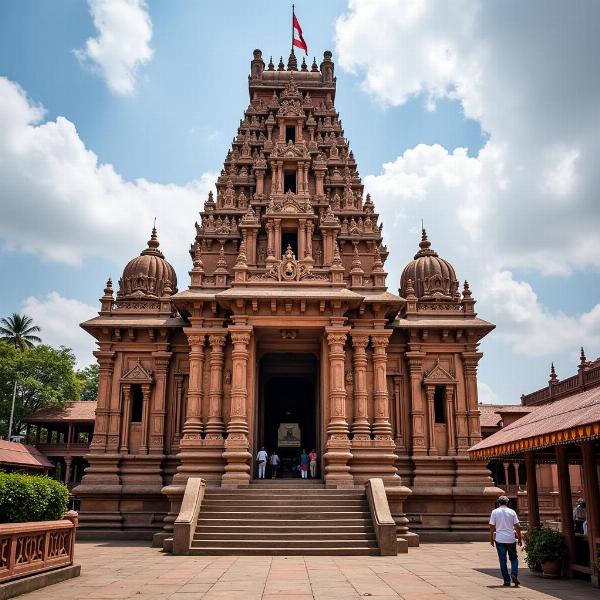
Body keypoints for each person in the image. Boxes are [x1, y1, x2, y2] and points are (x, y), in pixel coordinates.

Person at [489, 495, 522, 587]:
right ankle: (514, 574)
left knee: (502, 560)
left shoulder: (494, 512)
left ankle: (506, 580)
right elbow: (517, 526)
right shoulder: (512, 512)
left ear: (498, 503)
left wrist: (491, 538)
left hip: (499, 539)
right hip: (510, 539)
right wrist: (519, 538)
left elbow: (492, 527)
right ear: (507, 503)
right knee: (514, 558)